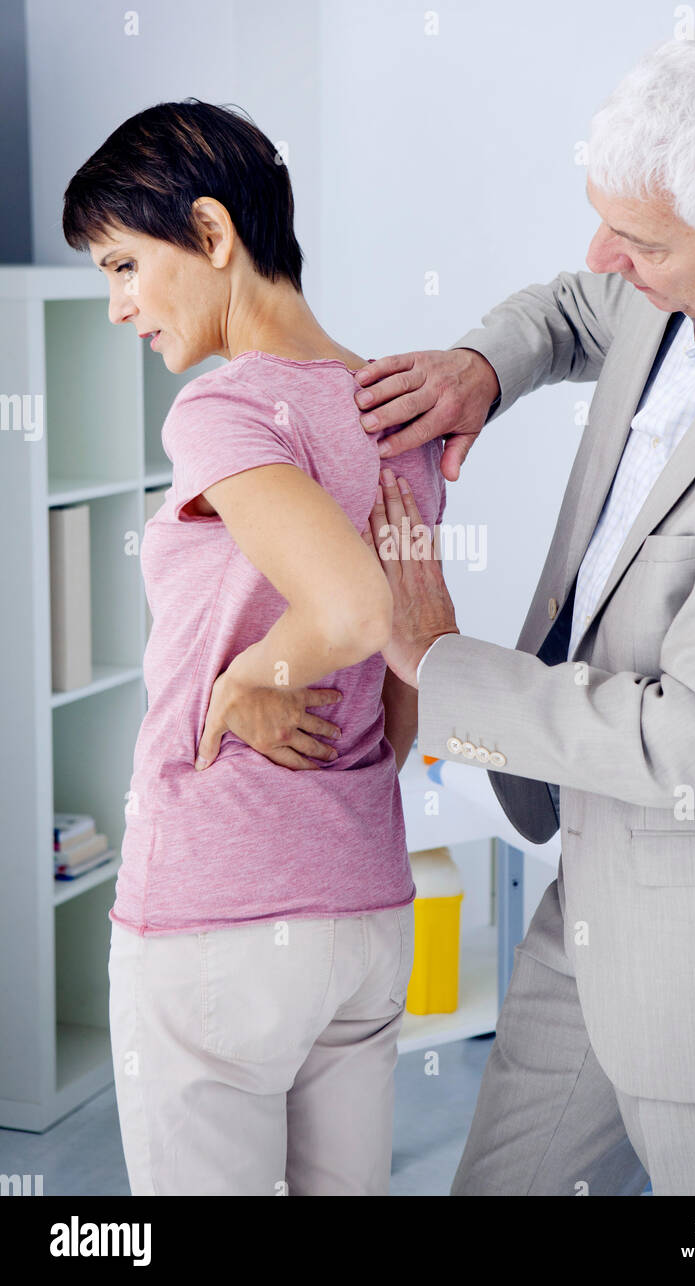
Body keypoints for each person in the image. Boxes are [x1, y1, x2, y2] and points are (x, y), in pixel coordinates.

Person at [345, 29, 695, 1195]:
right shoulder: (688, 270)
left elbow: (678, 734)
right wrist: (485, 361)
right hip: (590, 896)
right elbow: (582, 307)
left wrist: (436, 662)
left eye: (635, 241)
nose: (602, 256)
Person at [61, 98, 448, 1196]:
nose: (117, 306)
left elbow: (354, 612)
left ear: (214, 233)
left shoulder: (221, 408)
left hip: (214, 914)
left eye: (126, 265)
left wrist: (240, 680)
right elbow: (409, 673)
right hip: (364, 912)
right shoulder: (389, 408)